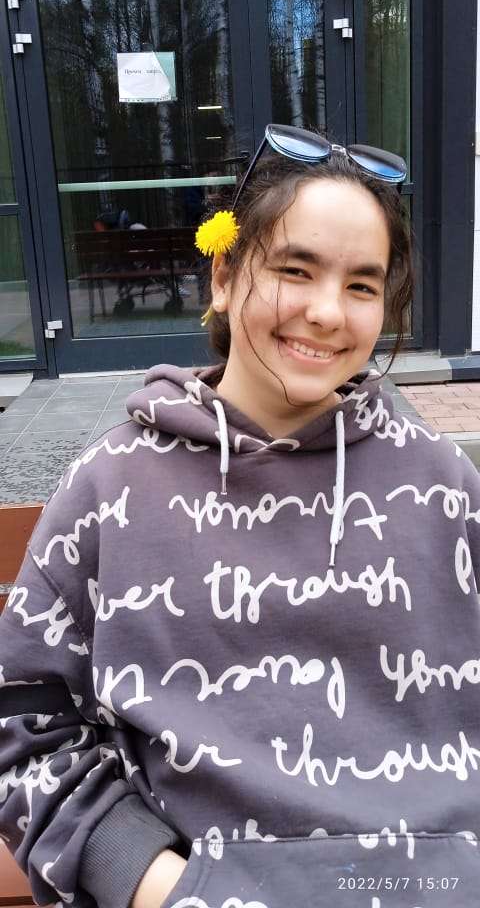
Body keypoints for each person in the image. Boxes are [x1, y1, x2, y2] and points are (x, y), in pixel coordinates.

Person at [1, 123, 480, 908]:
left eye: (362, 286)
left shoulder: (444, 484)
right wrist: (163, 886)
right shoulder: (111, 488)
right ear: (223, 277)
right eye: (296, 270)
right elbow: (23, 728)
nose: (327, 312)